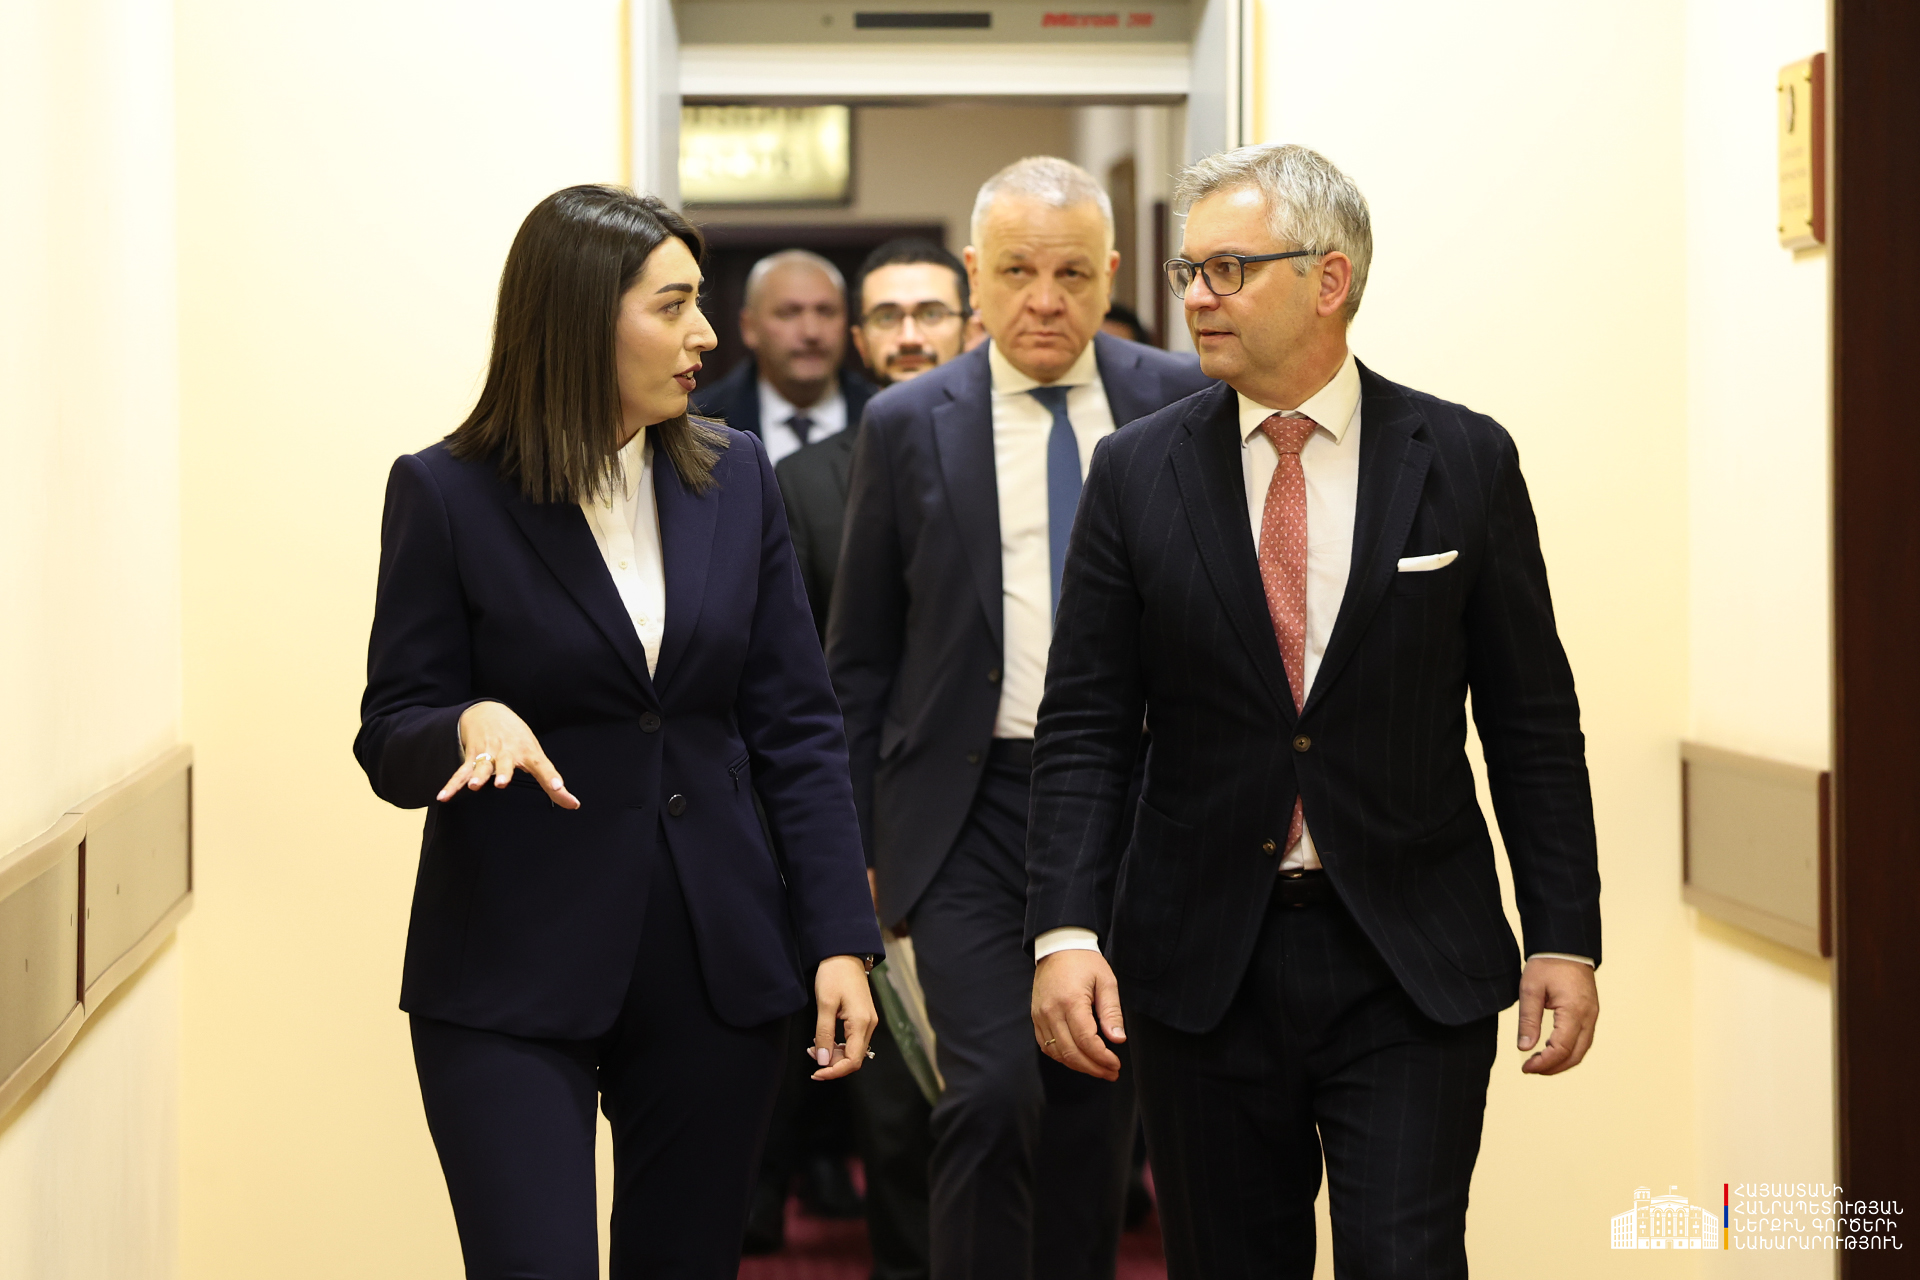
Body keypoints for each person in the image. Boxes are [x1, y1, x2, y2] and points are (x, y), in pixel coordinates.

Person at [1027, 143, 1602, 1279]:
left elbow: (1532, 720)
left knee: (1406, 1257)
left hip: (1409, 954)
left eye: (1228, 269)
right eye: (1190, 271)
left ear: (1328, 279)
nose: (1197, 296)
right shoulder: (1136, 471)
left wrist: (1564, 933)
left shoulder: (1464, 457)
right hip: (1203, 958)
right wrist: (1066, 931)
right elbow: (1087, 724)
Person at [353, 185, 881, 1280]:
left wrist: (839, 935)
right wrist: (467, 720)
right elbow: (390, 734)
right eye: (673, 305)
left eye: (700, 302)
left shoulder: (735, 474)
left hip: (715, 959)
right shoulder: (445, 493)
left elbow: (796, 725)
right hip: (509, 966)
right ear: (582, 318)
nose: (705, 335)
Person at [829, 156, 1212, 1280]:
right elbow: (860, 656)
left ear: (1113, 274)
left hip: (1133, 801)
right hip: (967, 806)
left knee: (1094, 1095)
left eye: (1072, 274)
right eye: (1015, 272)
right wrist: (852, 842)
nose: (1044, 300)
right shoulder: (908, 421)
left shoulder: (1181, 398)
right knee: (990, 1092)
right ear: (973, 275)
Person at [772, 236, 970, 1280]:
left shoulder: (1036, 463)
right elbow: (799, 691)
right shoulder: (801, 484)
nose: (909, 335)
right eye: (887, 317)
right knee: (896, 1124)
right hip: (873, 847)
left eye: (930, 312)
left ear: (969, 326)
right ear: (858, 340)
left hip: (1016, 836)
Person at [689, 249, 877, 464]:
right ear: (749, 327)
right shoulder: (700, 421)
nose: (811, 333)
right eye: (789, 313)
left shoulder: (879, 417)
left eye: (826, 311)